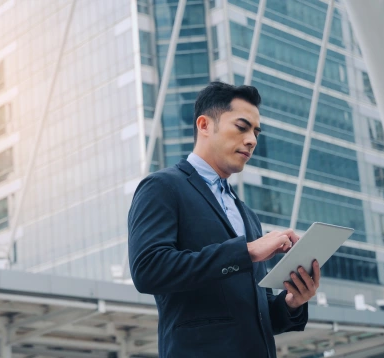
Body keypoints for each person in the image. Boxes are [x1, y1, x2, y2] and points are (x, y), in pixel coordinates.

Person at [127, 81, 320, 358]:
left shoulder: (248, 216)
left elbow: (259, 315)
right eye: (242, 127)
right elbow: (148, 270)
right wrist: (246, 251)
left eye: (256, 132)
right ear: (204, 125)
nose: (252, 140)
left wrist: (292, 302)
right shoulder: (162, 187)